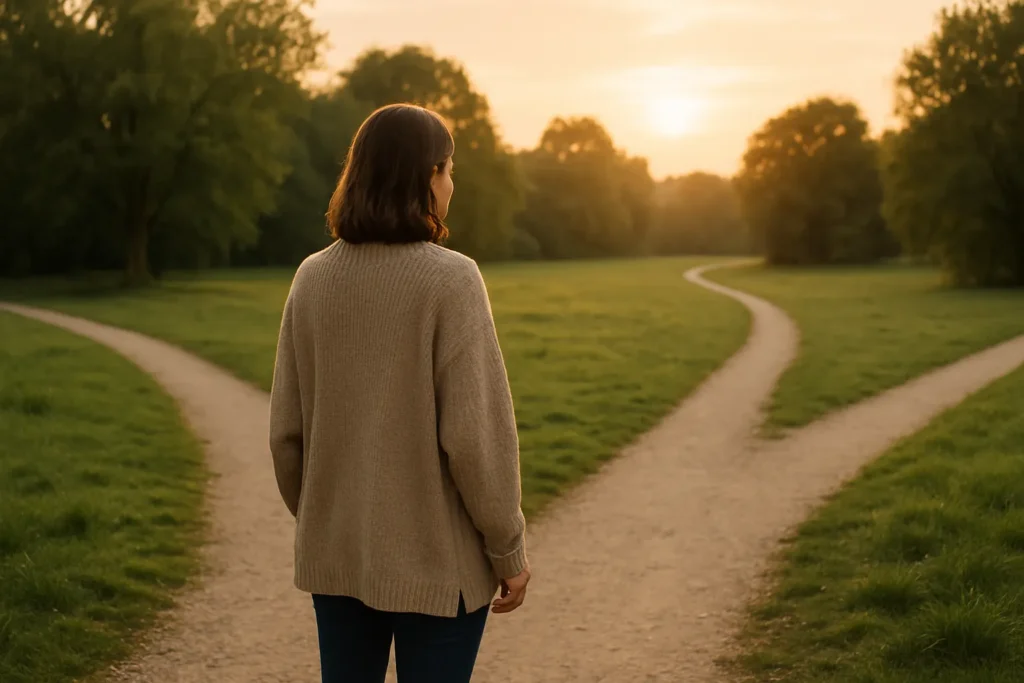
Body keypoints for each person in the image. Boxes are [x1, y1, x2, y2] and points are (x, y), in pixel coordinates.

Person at [269, 103, 530, 683]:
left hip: (336, 559)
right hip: (439, 569)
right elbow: (476, 437)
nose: (452, 184)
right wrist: (507, 550)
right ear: (427, 177)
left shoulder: (311, 277)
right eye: (449, 170)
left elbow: (286, 434)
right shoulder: (452, 279)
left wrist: (329, 518)